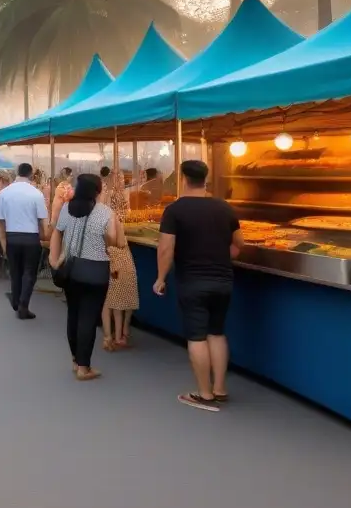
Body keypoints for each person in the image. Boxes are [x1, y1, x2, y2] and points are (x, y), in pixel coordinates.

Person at [155, 160, 244, 412]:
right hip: (223, 280)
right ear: (206, 179)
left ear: (183, 178)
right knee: (217, 332)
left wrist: (161, 278)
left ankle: (204, 395)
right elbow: (239, 243)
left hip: (192, 281)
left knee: (196, 336)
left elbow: (165, 249)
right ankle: (220, 388)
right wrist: (223, 259)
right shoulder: (224, 208)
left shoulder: (175, 210)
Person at [50, 174, 125, 381]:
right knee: (89, 318)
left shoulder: (68, 208)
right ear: (98, 191)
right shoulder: (105, 213)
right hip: (96, 271)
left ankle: (75, 360)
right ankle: (85, 367)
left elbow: (57, 231)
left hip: (72, 269)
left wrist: (54, 260)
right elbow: (115, 241)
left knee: (73, 314)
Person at [0, 163, 48, 319]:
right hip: (31, 237)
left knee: (15, 271)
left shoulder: (4, 193)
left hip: (12, 237)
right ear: (31, 174)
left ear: (17, 173)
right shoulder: (36, 194)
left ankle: (17, 300)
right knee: (29, 272)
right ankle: (24, 304)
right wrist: (44, 236)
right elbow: (43, 220)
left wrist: (3, 241)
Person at [99, 167, 139, 351]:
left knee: (111, 297)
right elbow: (118, 239)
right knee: (123, 296)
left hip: (108, 254)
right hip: (119, 254)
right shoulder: (111, 212)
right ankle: (121, 335)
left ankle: (112, 336)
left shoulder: (98, 212)